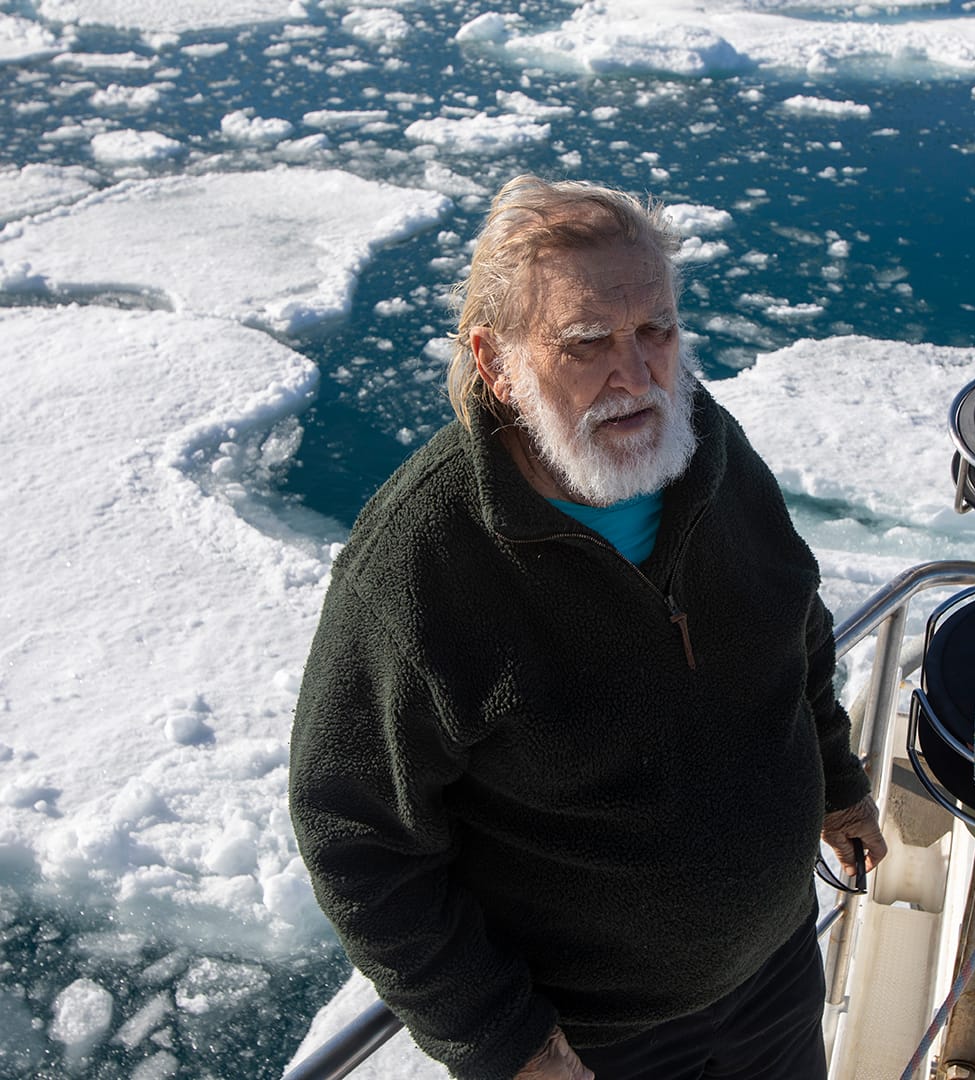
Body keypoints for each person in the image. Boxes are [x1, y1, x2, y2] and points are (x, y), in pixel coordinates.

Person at [288, 174, 887, 1080]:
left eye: (656, 332)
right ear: (495, 363)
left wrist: (838, 784)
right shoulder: (423, 565)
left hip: (776, 972)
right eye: (585, 344)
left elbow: (791, 623)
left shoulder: (705, 452)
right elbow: (357, 835)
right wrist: (505, 1043)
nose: (638, 377)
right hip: (596, 1047)